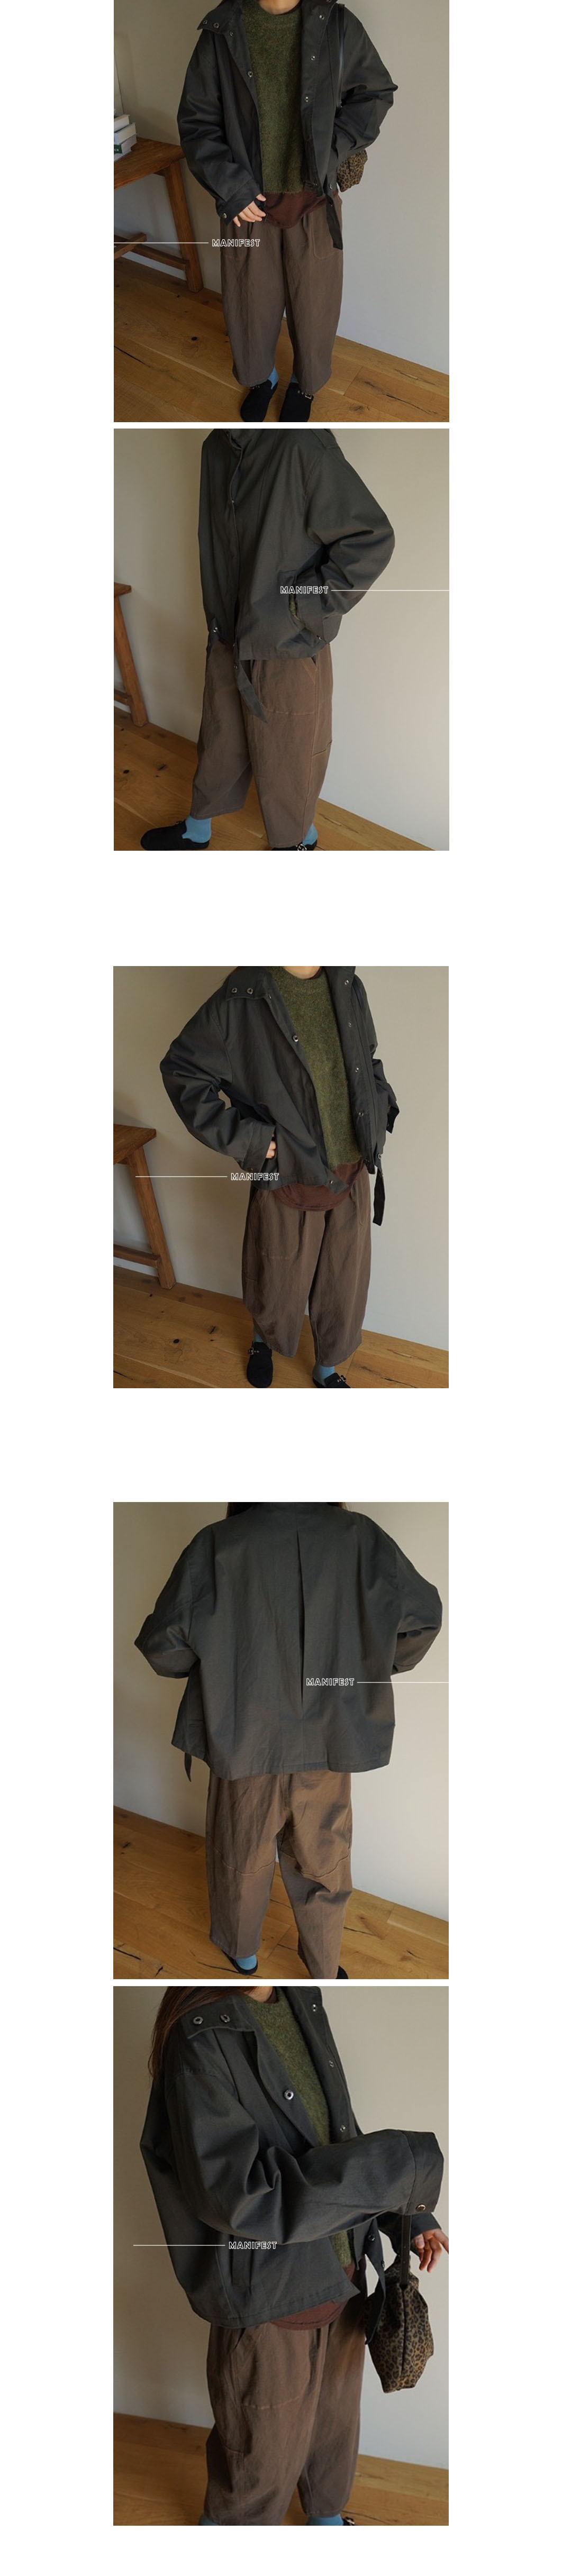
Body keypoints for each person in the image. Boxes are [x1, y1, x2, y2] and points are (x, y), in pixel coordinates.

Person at [140, 1981, 448, 2525]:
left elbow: (334, 2134)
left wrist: (405, 2212)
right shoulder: (200, 2037)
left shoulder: (300, 1999)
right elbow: (241, 2194)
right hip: (270, 2289)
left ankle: (326, 2519)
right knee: (260, 2457)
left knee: (334, 2428)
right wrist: (403, 2168)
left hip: (345, 2271)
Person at [135, 1501, 442, 1976]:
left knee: (241, 1851)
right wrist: (368, 1663)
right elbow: (423, 1617)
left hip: (244, 1735)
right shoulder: (363, 1538)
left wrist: (218, 1670)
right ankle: (324, 1965)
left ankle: (243, 1951)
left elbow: (163, 1645)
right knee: (324, 1856)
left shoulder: (218, 1543)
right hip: (330, 1739)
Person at [140, 428, 394, 853]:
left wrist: (301, 605)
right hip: (228, 630)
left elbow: (370, 539)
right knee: (220, 737)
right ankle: (197, 829)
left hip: (286, 643)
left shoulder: (301, 445)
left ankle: (296, 843)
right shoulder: (215, 447)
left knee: (290, 755)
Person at [159, 963, 398, 1386]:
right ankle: (262, 1340)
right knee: (276, 1278)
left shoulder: (347, 984)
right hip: (289, 1172)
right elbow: (183, 1071)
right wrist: (253, 1141)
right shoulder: (241, 998)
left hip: (352, 1168)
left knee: (343, 1283)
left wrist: (378, 1109)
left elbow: (368, 1057)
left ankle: (326, 1367)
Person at [177, 0, 396, 418]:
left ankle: (305, 384)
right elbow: (197, 121)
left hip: (314, 201)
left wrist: (331, 153)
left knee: (315, 305)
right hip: (246, 204)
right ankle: (262, 379)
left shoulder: (337, 24)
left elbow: (374, 94)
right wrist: (231, 188)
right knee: (248, 302)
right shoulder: (221, 31)